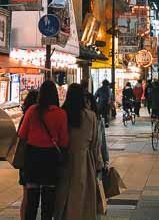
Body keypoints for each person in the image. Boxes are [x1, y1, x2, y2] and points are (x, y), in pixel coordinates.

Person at [18, 80, 69, 220]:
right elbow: (64, 141)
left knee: (32, 198)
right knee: (48, 199)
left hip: (32, 156)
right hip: (50, 158)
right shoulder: (61, 114)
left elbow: (22, 134)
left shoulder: (32, 111)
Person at [55, 84, 103, 220]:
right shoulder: (90, 116)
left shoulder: (62, 113)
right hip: (84, 161)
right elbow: (95, 144)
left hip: (64, 160)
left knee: (64, 194)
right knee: (82, 197)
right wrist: (99, 164)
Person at [18, 90, 39, 219]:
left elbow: (20, 135)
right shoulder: (33, 115)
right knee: (30, 195)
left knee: (27, 194)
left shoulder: (25, 116)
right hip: (32, 158)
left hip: (26, 159)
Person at [85, 92, 109, 171]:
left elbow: (103, 142)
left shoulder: (98, 121)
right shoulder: (79, 122)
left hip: (96, 161)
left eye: (88, 103)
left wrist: (106, 160)